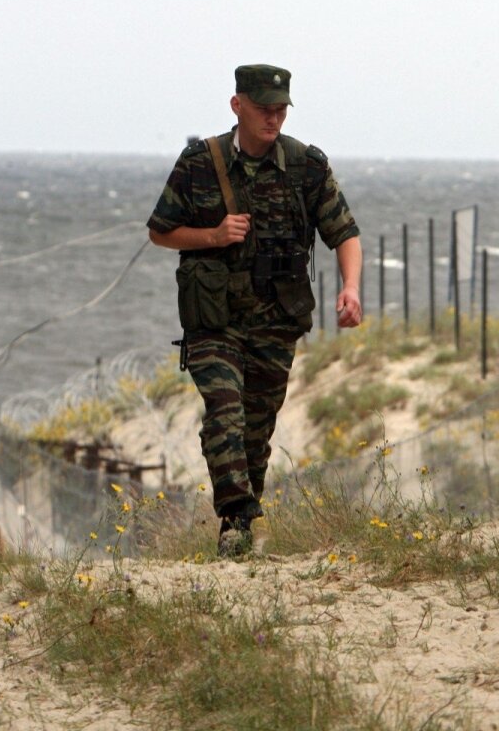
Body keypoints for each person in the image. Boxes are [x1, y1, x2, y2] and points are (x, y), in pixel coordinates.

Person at [148, 64, 362, 557]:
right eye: (264, 108)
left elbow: (344, 233)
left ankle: (238, 532)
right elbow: (160, 231)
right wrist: (212, 237)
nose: (273, 118)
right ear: (237, 105)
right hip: (214, 320)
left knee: (256, 429)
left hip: (274, 320)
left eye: (280, 109)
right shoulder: (200, 162)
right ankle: (238, 516)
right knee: (224, 409)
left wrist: (351, 288)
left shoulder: (306, 166)